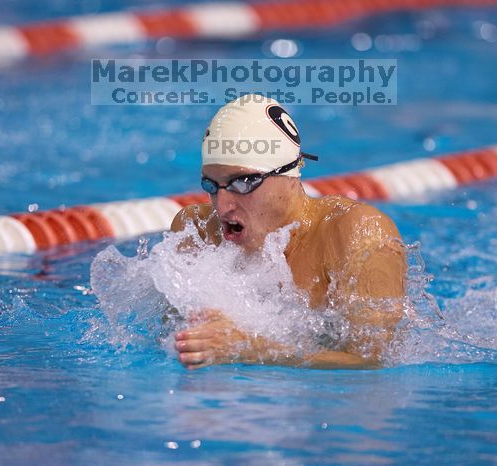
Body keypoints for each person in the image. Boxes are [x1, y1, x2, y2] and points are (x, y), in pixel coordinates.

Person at [170, 94, 406, 370]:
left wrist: (250, 348)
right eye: (211, 185)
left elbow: (372, 361)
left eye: (243, 183)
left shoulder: (357, 235)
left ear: (288, 175)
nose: (222, 207)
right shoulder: (197, 232)